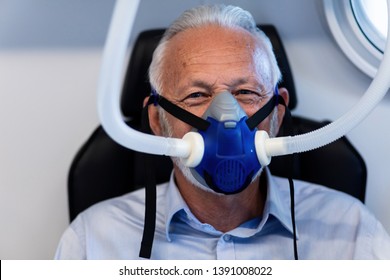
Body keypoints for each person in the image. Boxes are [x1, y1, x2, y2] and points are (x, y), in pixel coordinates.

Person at [55, 4, 390, 259]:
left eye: (245, 92)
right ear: (157, 121)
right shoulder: (93, 242)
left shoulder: (352, 233)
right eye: (197, 95)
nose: (225, 116)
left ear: (276, 114)